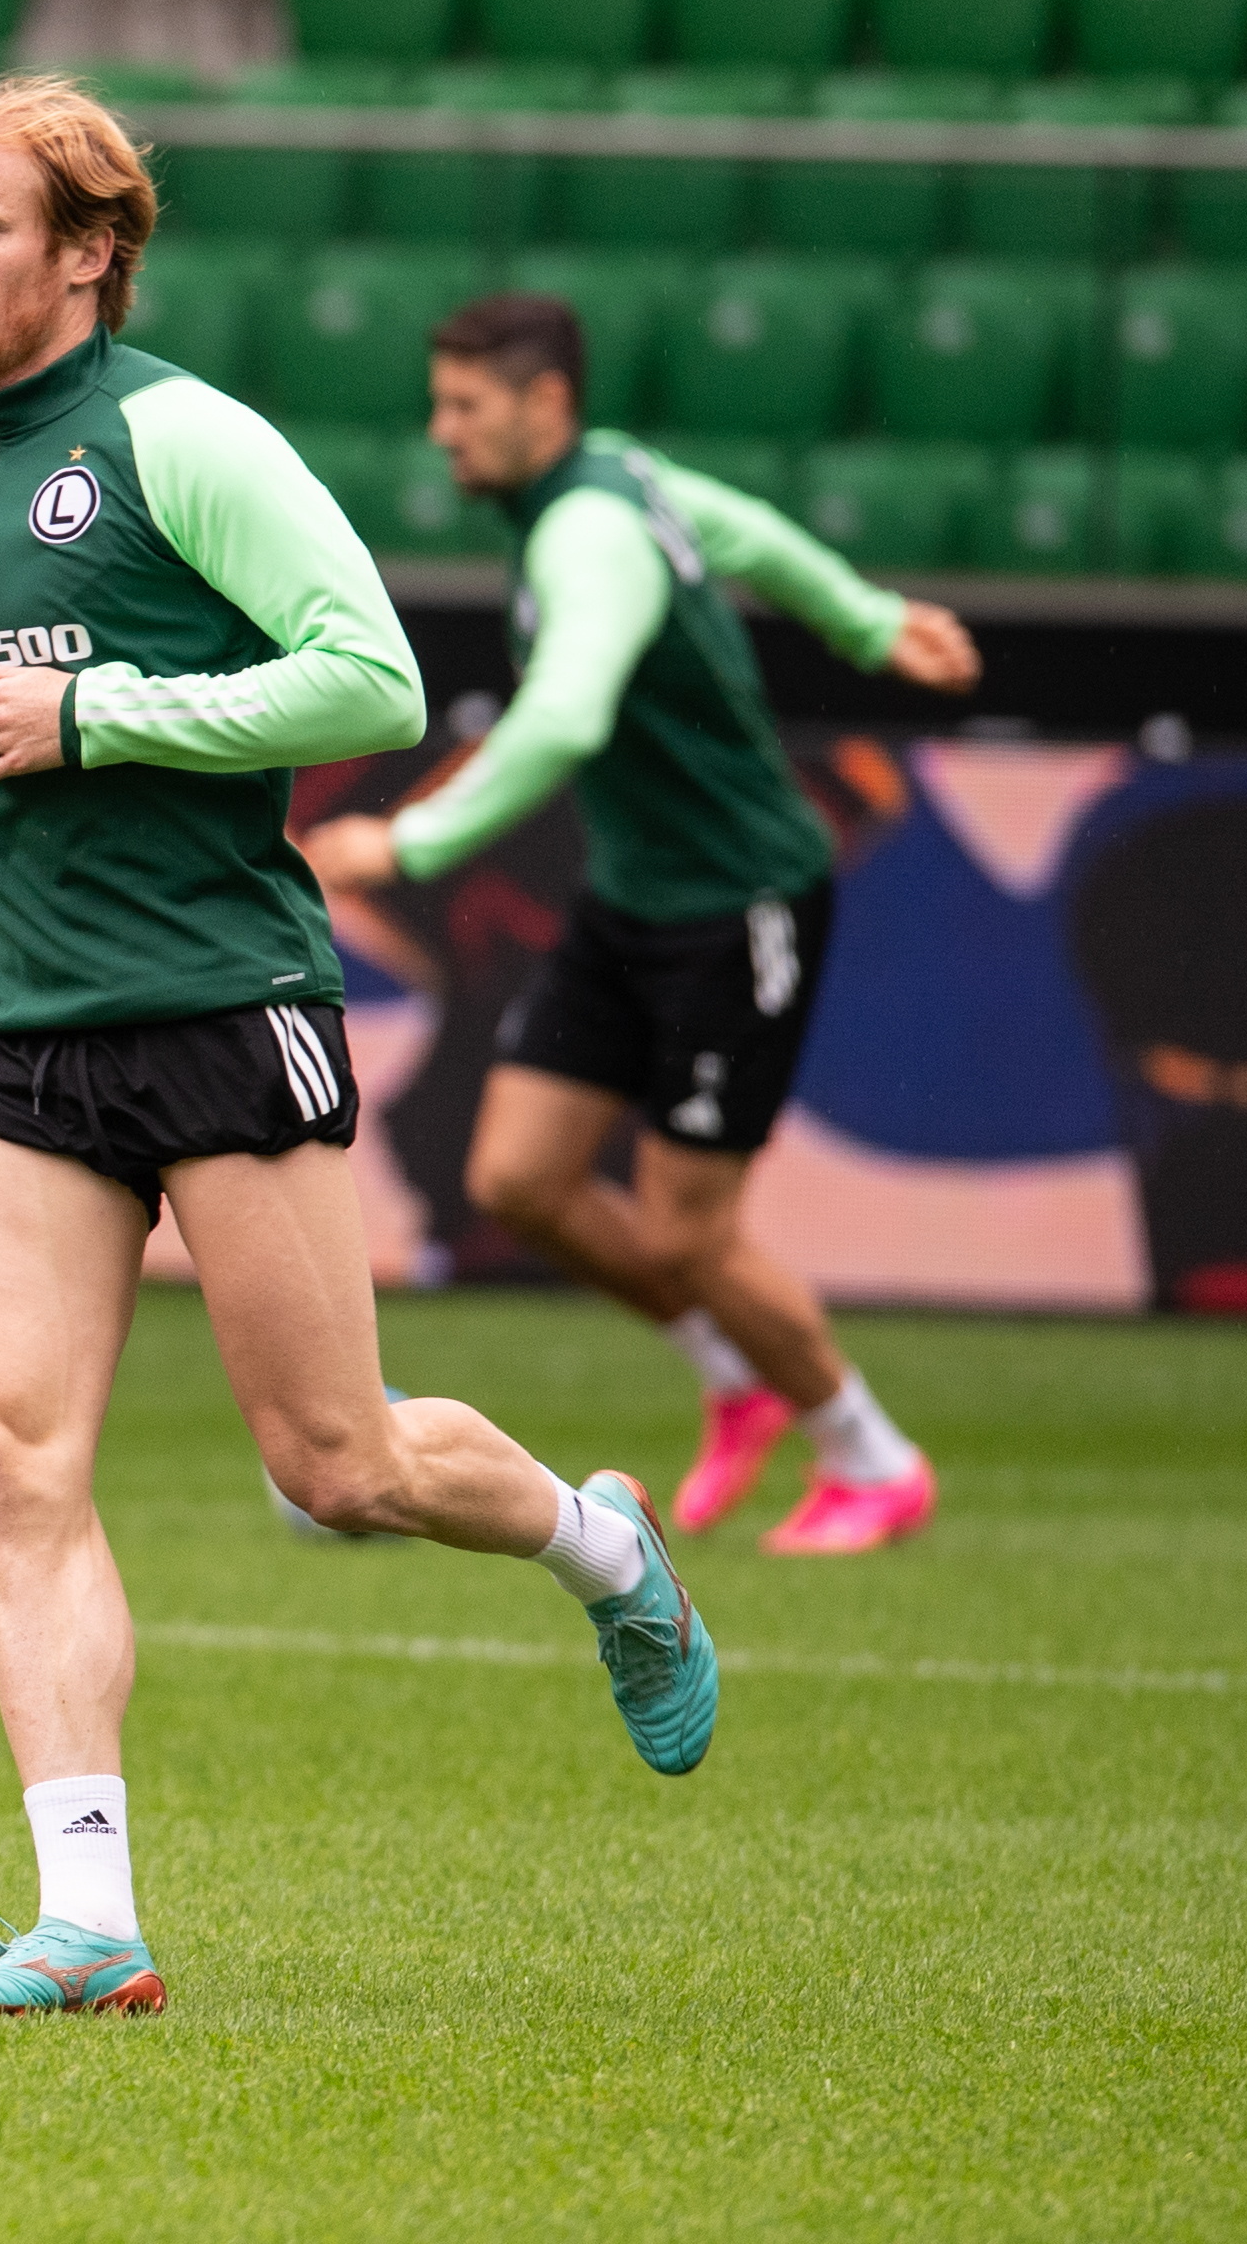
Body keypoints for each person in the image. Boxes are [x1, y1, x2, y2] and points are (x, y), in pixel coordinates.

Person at [0, 78, 720, 2022]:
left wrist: (104, 709)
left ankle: (598, 1543)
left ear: (87, 251)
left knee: (337, 1463)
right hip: (16, 1036)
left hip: (216, 1009)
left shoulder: (179, 438)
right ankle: (85, 1914)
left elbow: (365, 671)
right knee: (7, 1448)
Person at [296, 292, 983, 1556]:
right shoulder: (623, 483)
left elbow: (561, 717)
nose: (439, 433)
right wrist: (868, 620)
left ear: (542, 402)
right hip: (633, 895)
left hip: (739, 902)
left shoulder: (588, 535)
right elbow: (754, 534)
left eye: (463, 407)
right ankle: (732, 1374)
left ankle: (871, 1457)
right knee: (517, 1177)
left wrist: (407, 844)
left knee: (685, 1227)